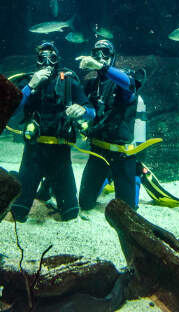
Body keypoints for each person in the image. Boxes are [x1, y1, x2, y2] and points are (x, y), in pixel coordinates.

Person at [8, 41, 95, 222]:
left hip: (60, 154)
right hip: (33, 153)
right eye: (42, 58)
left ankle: (47, 186)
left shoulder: (69, 82)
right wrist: (30, 86)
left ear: (58, 60)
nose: (47, 63)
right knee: (18, 213)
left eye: (52, 58)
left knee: (70, 213)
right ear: (37, 61)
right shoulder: (29, 82)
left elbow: (91, 111)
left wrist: (82, 110)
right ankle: (24, 181)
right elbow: (12, 110)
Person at [76, 39, 142, 211]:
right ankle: (106, 179)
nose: (100, 56)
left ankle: (136, 178)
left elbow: (129, 84)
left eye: (105, 53)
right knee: (85, 203)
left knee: (127, 210)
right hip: (98, 151)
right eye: (96, 53)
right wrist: (82, 115)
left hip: (122, 154)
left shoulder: (123, 79)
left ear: (113, 57)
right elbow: (90, 110)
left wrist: (102, 67)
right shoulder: (92, 85)